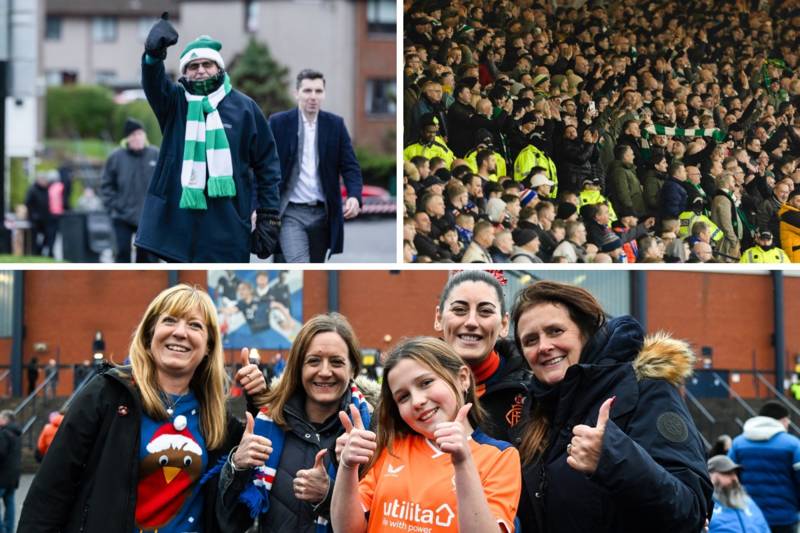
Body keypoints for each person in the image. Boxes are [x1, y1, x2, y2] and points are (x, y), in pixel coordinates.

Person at [18, 284, 267, 532]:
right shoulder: (108, 394)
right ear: (150, 335)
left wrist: (258, 400)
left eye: (195, 325)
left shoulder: (217, 421)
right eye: (170, 321)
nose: (180, 332)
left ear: (208, 347)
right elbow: (50, 493)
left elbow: (235, 515)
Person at [511, 280, 712, 532]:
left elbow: (691, 511)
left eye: (555, 331)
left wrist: (613, 458)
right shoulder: (532, 410)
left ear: (585, 333)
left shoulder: (644, 388)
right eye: (530, 340)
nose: (544, 346)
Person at [330, 337, 522, 533]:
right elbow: (346, 530)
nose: (417, 401)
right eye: (403, 396)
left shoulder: (501, 457)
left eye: (426, 382)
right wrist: (347, 466)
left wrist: (463, 463)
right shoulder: (392, 448)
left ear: (463, 378)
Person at [136, 14, 282, 262]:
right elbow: (153, 84)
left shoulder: (246, 108)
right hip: (178, 223)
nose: (201, 70)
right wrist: (152, 56)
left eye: (207, 64)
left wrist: (268, 213)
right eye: (194, 66)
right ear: (186, 72)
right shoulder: (175, 102)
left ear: (219, 68)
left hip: (227, 222)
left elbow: (267, 165)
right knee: (181, 296)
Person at [219, 313, 378, 532]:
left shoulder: (372, 430)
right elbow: (230, 522)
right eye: (313, 361)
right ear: (298, 367)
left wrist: (329, 494)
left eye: (336, 362)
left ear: (352, 369)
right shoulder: (266, 423)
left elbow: (381, 521)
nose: (324, 372)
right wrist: (237, 467)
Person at [270, 69, 363, 263]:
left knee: (315, 268)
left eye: (318, 91)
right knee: (300, 263)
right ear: (297, 93)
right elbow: (263, 167)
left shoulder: (335, 125)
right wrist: (257, 206)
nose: (313, 97)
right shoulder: (279, 123)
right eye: (307, 91)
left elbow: (350, 166)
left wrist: (354, 196)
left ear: (324, 94)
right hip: (290, 212)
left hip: (323, 214)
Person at [434, 270, 530, 442]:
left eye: (485, 311)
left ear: (504, 324)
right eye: (459, 310)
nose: (471, 322)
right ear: (438, 318)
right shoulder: (412, 389)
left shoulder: (534, 389)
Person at [728, 401, 800, 533]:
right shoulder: (793, 444)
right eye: (788, 422)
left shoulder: (738, 443)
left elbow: (728, 476)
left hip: (748, 515)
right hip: (784, 517)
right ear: (783, 421)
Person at [99, 117, 159, 263]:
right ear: (127, 138)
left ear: (144, 135)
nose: (137, 138)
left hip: (148, 217)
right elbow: (106, 184)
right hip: (122, 216)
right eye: (133, 135)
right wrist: (114, 206)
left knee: (148, 259)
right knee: (122, 255)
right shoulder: (116, 157)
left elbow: (165, 182)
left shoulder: (155, 154)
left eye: (139, 134)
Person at [707, 455, 770, 533]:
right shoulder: (703, 507)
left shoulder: (747, 502)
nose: (735, 479)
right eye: (727, 473)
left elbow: (764, 528)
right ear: (710, 476)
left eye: (735, 474)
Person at [0, 410, 21, 533]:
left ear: (5, 420)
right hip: (13, 476)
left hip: (2, 475)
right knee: (10, 504)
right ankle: (9, 530)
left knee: (9, 503)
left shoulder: (3, 434)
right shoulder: (17, 434)